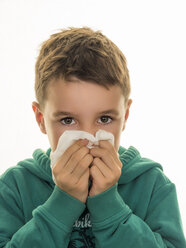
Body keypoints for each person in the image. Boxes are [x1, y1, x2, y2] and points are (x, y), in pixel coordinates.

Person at [0, 27, 185, 248]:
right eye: (68, 120)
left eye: (105, 119)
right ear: (41, 118)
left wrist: (109, 205)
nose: (88, 139)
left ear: (124, 115)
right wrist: (62, 203)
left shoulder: (152, 184)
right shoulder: (15, 187)